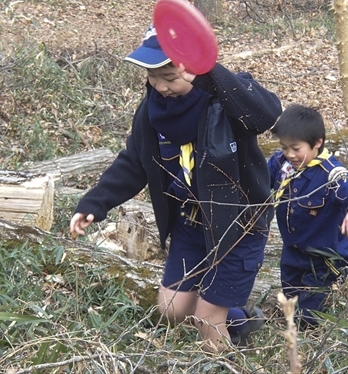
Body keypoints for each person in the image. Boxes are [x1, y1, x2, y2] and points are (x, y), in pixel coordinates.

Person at [69, 23, 282, 350]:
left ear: (193, 68)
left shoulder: (225, 99)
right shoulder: (151, 112)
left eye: (169, 78)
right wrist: (94, 203)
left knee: (205, 320)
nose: (160, 86)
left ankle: (223, 357)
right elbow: (135, 161)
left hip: (238, 224)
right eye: (154, 77)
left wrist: (211, 74)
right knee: (172, 309)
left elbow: (267, 113)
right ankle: (240, 319)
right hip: (192, 222)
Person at [268, 104, 348, 328]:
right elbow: (257, 180)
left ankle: (312, 337)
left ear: (318, 143)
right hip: (293, 252)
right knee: (291, 300)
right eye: (284, 147)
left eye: (296, 148)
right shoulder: (282, 164)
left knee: (309, 315)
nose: (289, 154)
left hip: (325, 259)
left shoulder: (332, 174)